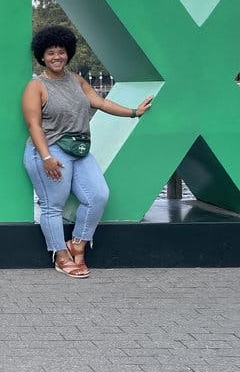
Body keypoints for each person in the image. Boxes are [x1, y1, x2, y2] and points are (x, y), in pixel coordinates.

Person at [22, 26, 153, 278]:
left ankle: (78, 243)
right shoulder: (36, 86)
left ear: (68, 53)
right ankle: (61, 256)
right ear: (42, 56)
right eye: (51, 53)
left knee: (98, 195)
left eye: (61, 52)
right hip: (49, 151)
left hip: (79, 149)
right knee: (53, 206)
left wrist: (134, 112)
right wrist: (46, 157)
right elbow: (33, 125)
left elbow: (101, 102)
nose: (57, 57)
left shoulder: (76, 80)